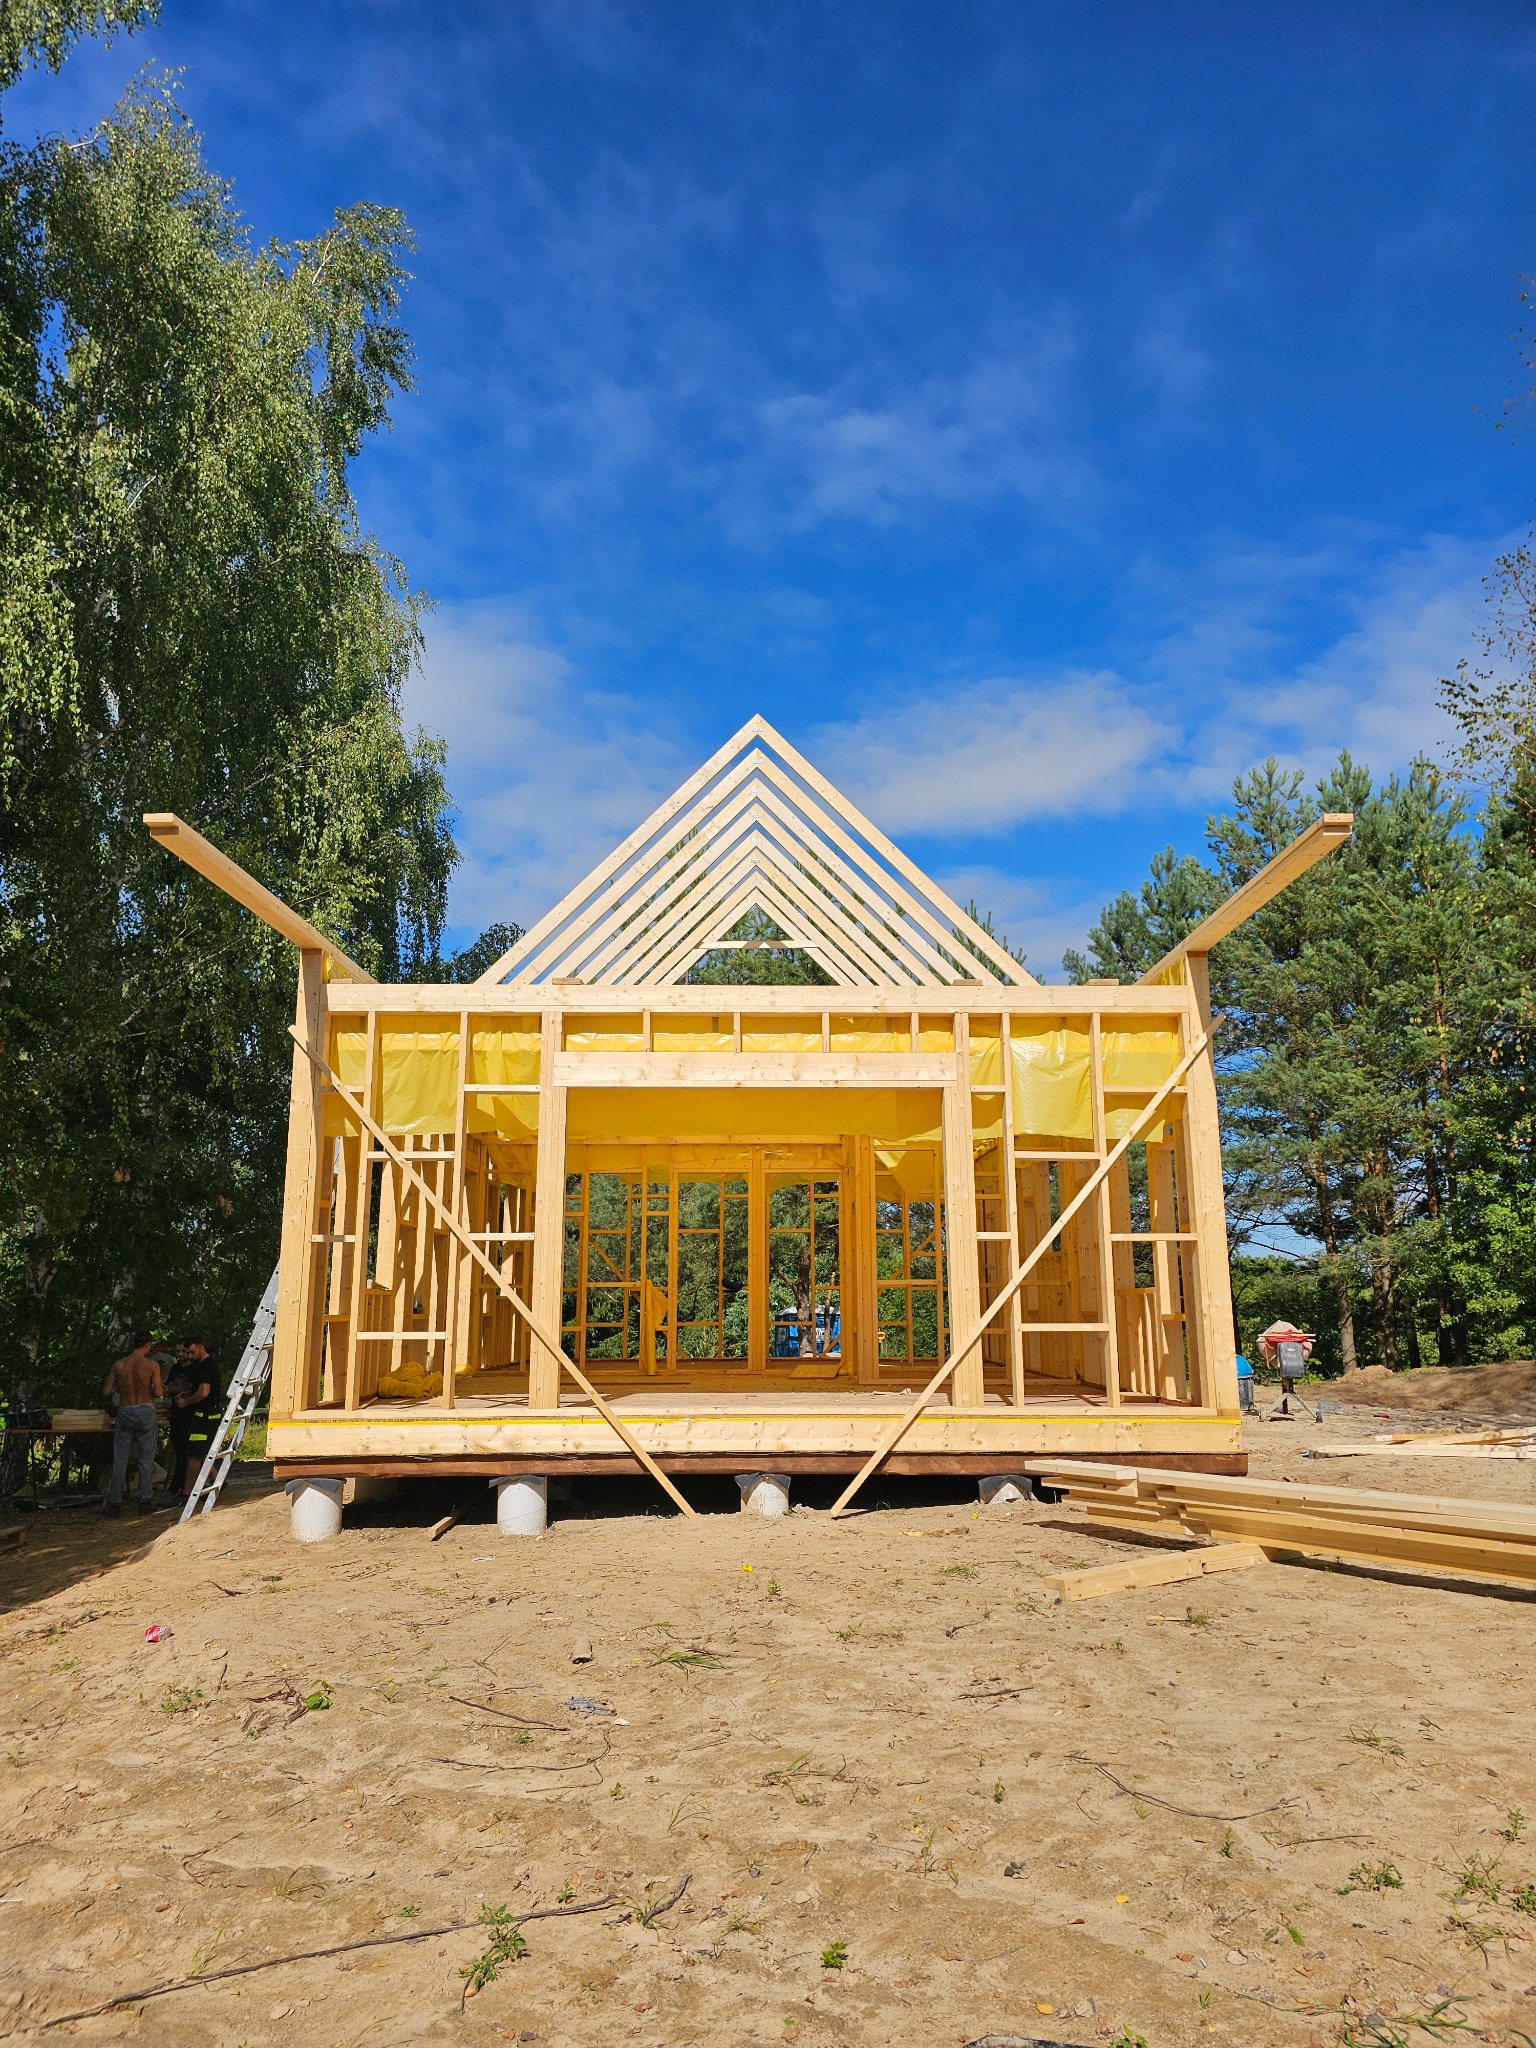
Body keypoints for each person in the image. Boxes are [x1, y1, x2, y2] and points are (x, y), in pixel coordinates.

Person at [102, 1333, 164, 1517]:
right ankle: (145, 1501)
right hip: (145, 1409)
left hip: (126, 1409)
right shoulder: (152, 1365)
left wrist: (120, 1388)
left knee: (120, 1458)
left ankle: (115, 1503)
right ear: (147, 1345)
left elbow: (106, 1391)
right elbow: (159, 1392)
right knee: (146, 1458)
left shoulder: (119, 1365)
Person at [165, 1342, 214, 1498]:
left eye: (186, 1351)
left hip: (193, 1414)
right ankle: (211, 1479)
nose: (182, 1355)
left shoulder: (200, 1368)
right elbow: (167, 1388)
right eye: (178, 1351)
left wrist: (186, 1400)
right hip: (178, 1414)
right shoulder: (176, 1368)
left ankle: (186, 1489)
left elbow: (202, 1392)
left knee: (193, 1453)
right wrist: (173, 1391)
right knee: (186, 1451)